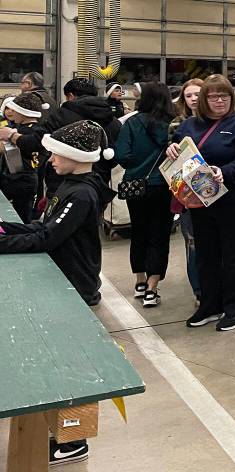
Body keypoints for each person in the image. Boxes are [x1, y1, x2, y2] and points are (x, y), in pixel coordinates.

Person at [0, 120, 115, 465]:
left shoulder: (81, 193)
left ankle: (74, 438)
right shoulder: (68, 184)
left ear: (76, 157)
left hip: (75, 285)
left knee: (70, 362)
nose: (49, 159)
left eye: (55, 154)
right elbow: (42, 226)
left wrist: (3, 244)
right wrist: (8, 228)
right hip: (63, 279)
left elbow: (48, 238)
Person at [167, 74, 235, 332]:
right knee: (206, 254)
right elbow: (179, 149)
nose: (219, 101)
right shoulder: (189, 126)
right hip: (201, 201)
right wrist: (171, 149)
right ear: (204, 100)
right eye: (213, 96)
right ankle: (210, 304)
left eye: (225, 96)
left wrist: (225, 172)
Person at [114, 82, 176, 308]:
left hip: (135, 185)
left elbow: (122, 154)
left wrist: (137, 166)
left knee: (139, 231)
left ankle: (139, 281)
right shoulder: (172, 124)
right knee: (159, 235)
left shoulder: (131, 122)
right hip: (164, 186)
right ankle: (152, 288)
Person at [169, 78, 203, 305]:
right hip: (188, 194)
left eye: (198, 94)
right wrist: (169, 148)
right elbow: (171, 165)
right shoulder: (177, 126)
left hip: (217, 193)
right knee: (192, 243)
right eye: (189, 95)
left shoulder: (221, 124)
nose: (193, 99)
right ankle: (199, 291)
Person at [0, 93, 47, 221]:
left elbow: (29, 143)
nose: (11, 113)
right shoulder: (24, 128)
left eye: (14, 109)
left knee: (22, 217)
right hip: (15, 178)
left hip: (23, 179)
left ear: (23, 112)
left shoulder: (32, 131)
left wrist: (10, 136)